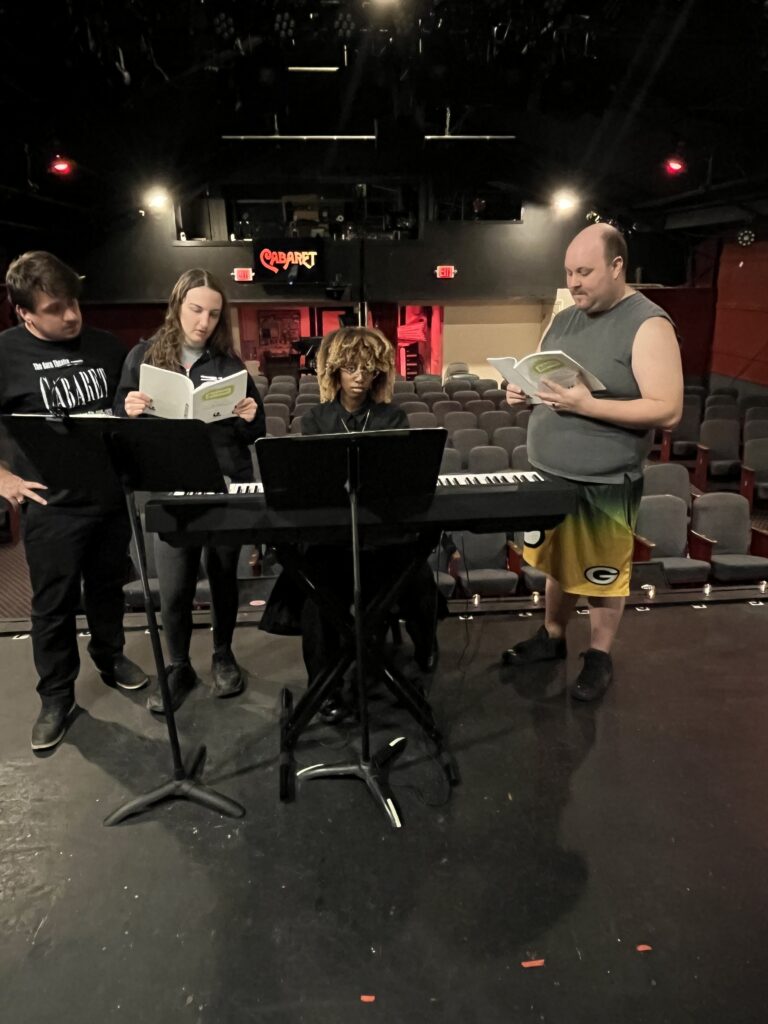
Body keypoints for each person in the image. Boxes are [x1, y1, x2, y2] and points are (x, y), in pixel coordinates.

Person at [502, 223, 683, 700]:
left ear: (617, 266)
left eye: (584, 271)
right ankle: (553, 636)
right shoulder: (565, 317)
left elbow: (667, 408)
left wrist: (589, 407)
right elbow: (548, 378)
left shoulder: (648, 323)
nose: (574, 282)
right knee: (558, 564)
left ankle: (599, 655)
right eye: (568, 272)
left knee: (602, 573)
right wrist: (521, 391)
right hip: (550, 472)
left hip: (604, 480)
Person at [0, 251, 148, 752]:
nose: (71, 316)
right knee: (53, 606)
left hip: (108, 497)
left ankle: (111, 657)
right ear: (24, 312)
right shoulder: (4, 355)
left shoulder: (107, 348)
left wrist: (130, 410)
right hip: (53, 505)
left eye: (74, 304)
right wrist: (0, 476)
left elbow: (124, 414)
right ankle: (57, 697)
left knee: (108, 590)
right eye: (55, 308)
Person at [262, 325, 440, 723]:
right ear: (335, 371)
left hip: (382, 539)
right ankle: (324, 687)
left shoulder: (393, 418)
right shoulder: (315, 420)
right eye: (351, 367)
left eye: (368, 367)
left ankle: (423, 648)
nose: (360, 375)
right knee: (315, 596)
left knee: (419, 577)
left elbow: (399, 487)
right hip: (334, 541)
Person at [114, 269, 265, 711]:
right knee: (175, 588)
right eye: (196, 309)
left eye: (214, 314)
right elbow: (120, 422)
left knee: (222, 578)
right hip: (169, 489)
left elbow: (256, 431)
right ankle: (178, 666)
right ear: (177, 305)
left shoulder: (229, 364)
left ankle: (223, 656)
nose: (204, 321)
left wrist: (251, 413)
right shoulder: (143, 357)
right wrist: (129, 408)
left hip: (222, 483)